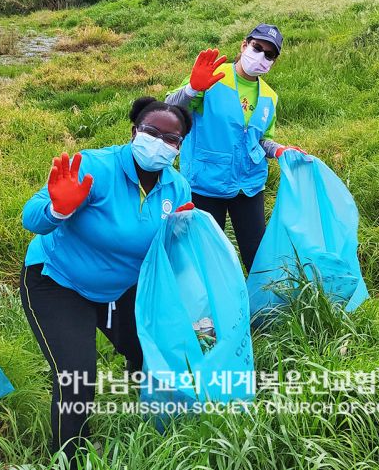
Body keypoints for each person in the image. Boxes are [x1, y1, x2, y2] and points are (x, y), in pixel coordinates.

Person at [20, 96, 195, 460]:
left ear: (180, 147)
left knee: (148, 350)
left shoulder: (176, 188)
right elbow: (31, 218)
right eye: (152, 132)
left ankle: (150, 416)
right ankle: (71, 456)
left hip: (120, 287)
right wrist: (57, 208)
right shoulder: (95, 167)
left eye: (172, 139)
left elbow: (172, 250)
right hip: (57, 281)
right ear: (134, 131)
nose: (161, 143)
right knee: (77, 379)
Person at [166, 24, 304, 272]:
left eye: (269, 54)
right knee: (207, 255)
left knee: (256, 255)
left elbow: (260, 139)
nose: (261, 57)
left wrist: (279, 150)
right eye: (257, 48)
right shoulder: (212, 76)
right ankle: (212, 309)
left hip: (249, 185)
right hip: (205, 182)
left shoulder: (269, 96)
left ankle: (261, 308)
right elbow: (168, 109)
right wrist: (192, 89)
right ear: (244, 45)